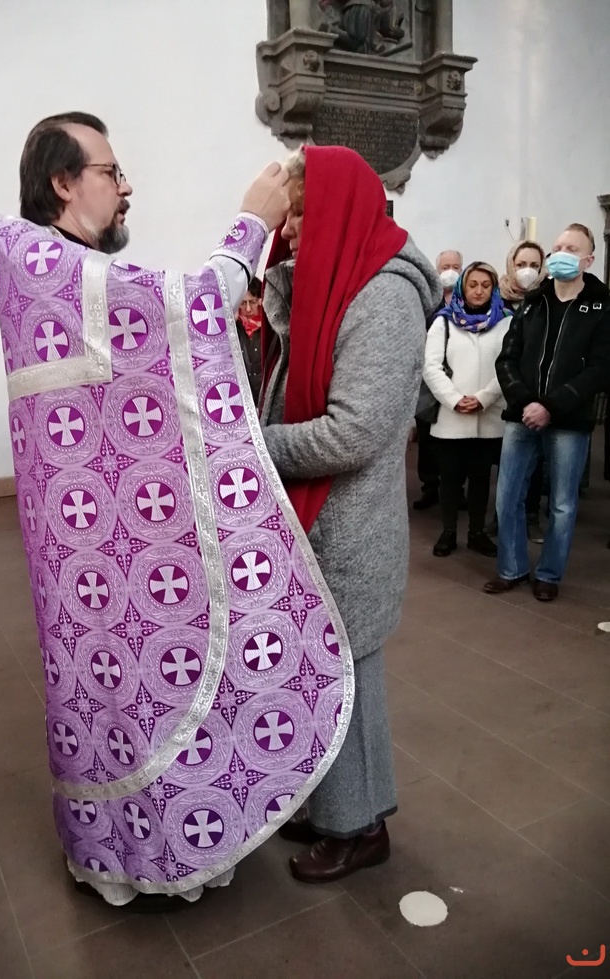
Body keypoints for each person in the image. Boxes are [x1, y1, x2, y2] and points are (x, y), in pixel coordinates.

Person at [0, 113, 357, 910]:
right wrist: (251, 222)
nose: (127, 188)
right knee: (130, 692)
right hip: (106, 547)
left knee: (125, 692)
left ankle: (133, 848)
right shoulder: (54, 267)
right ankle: (153, 851)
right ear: (63, 182)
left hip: (107, 542)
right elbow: (191, 308)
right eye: (111, 172)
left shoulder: (51, 273)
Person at [259, 145, 442, 883]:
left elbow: (354, 432)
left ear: (338, 211)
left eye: (301, 214)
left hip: (349, 528)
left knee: (350, 680)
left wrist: (251, 445)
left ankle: (360, 827)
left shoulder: (384, 296)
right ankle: (328, 803)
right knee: (317, 675)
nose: (289, 229)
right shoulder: (335, 279)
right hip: (315, 520)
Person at [484, 223, 610, 602]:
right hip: (522, 415)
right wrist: (526, 402)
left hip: (568, 420)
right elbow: (507, 358)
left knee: (562, 504)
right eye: (558, 247)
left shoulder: (601, 306)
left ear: (588, 259)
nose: (561, 254)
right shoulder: (533, 303)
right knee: (507, 497)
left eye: (572, 248)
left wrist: (551, 406)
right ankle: (511, 568)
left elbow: (600, 369)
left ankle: (549, 574)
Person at [423, 263, 511, 557]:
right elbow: (430, 367)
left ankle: (476, 533)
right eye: (473, 284)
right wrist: (454, 399)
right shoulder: (444, 322)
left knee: (481, 479)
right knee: (450, 479)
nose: (478, 291)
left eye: (486, 285)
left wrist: (484, 397)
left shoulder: (506, 322)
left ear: (493, 288)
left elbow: (509, 365)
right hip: (451, 416)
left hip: (489, 414)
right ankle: (448, 531)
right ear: (463, 287)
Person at [498, 240, 549, 543]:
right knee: (505, 468)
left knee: (535, 463)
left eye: (533, 265)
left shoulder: (547, 300)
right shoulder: (498, 299)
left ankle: (531, 515)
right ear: (511, 265)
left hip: (533, 397)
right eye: (521, 265)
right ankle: (501, 518)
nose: (527, 271)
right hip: (501, 390)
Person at [413, 249, 463, 510]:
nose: (450, 271)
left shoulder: (469, 301)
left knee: (457, 440)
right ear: (436, 270)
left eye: (456, 266)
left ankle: (456, 490)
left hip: (460, 380)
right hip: (428, 382)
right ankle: (430, 487)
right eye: (445, 267)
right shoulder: (427, 301)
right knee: (427, 438)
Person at [235, 276, 263, 402]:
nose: (247, 309)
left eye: (252, 302)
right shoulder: (233, 328)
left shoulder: (271, 329)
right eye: (242, 303)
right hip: (242, 400)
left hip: (265, 399)